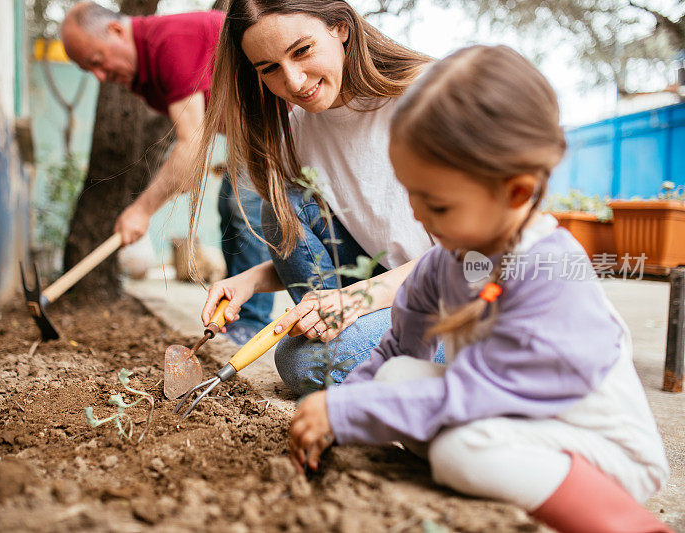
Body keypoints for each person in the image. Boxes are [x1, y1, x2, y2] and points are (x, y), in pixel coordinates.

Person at [288, 45, 672, 533]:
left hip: (599, 452)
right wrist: (344, 411)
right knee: (395, 379)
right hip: (514, 420)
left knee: (459, 451)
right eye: (412, 197)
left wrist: (346, 410)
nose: (421, 218)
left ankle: (632, 524)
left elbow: (481, 390)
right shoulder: (445, 262)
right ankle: (496, 479)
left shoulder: (548, 270)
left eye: (439, 205)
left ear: (515, 190)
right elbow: (396, 349)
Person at [189, 0, 441, 393]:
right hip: (391, 290)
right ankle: (343, 339)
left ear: (340, 27)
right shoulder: (300, 127)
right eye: (269, 68)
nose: (293, 81)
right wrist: (251, 281)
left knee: (301, 360)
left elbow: (475, 257)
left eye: (301, 51)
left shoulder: (430, 95)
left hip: (466, 307)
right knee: (283, 207)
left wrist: (355, 298)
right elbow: (327, 252)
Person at [60, 2, 274, 343]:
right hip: (249, 131)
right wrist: (184, 173)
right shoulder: (147, 72)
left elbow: (190, 142)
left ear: (115, 31)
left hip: (278, 122)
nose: (100, 77)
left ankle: (251, 321)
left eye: (97, 61)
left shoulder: (168, 42)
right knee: (229, 208)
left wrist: (141, 210)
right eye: (90, 70)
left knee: (243, 208)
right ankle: (237, 316)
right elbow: (199, 127)